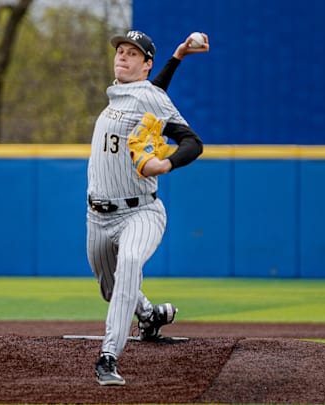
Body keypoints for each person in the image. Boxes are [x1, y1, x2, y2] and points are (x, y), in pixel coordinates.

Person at [86, 30, 210, 386]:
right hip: (97, 217)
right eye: (120, 50)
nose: (122, 56)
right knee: (110, 289)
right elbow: (152, 93)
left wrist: (165, 164)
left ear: (146, 64)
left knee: (128, 265)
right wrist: (178, 57)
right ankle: (150, 315)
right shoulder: (127, 94)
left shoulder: (147, 95)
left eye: (132, 53)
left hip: (140, 212)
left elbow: (192, 142)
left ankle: (108, 357)